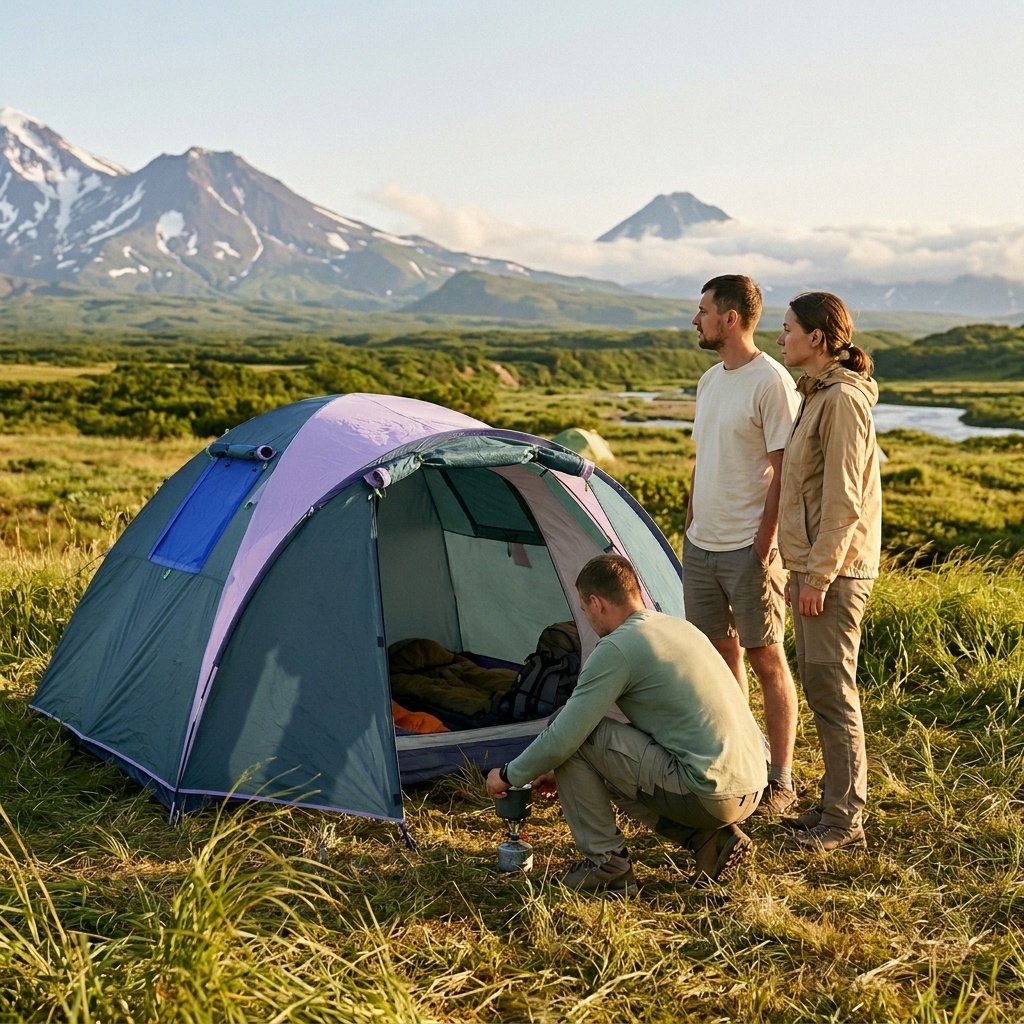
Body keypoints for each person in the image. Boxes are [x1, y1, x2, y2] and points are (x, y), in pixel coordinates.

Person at [485, 554, 767, 893]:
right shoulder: (678, 627)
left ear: (596, 602)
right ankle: (711, 841)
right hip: (751, 783)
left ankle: (607, 866)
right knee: (585, 740)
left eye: (584, 609)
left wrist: (509, 775)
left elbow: (565, 737)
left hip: (709, 791)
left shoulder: (618, 647)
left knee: (575, 732)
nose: (586, 618)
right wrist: (556, 767)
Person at [685, 274, 802, 815]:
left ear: (730, 318)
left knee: (766, 658)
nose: (696, 319)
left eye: (704, 310)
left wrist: (765, 541)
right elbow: (703, 456)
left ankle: (781, 778)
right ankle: (742, 761)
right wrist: (690, 516)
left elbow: (785, 471)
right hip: (700, 544)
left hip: (748, 548)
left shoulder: (772, 382)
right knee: (717, 657)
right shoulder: (710, 380)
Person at [775, 291, 882, 852]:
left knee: (833, 689)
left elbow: (843, 501)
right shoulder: (816, 396)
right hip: (815, 566)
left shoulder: (841, 400)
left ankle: (845, 823)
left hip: (834, 572)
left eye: (788, 327)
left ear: (817, 338)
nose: (781, 336)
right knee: (820, 684)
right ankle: (833, 804)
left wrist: (818, 577)